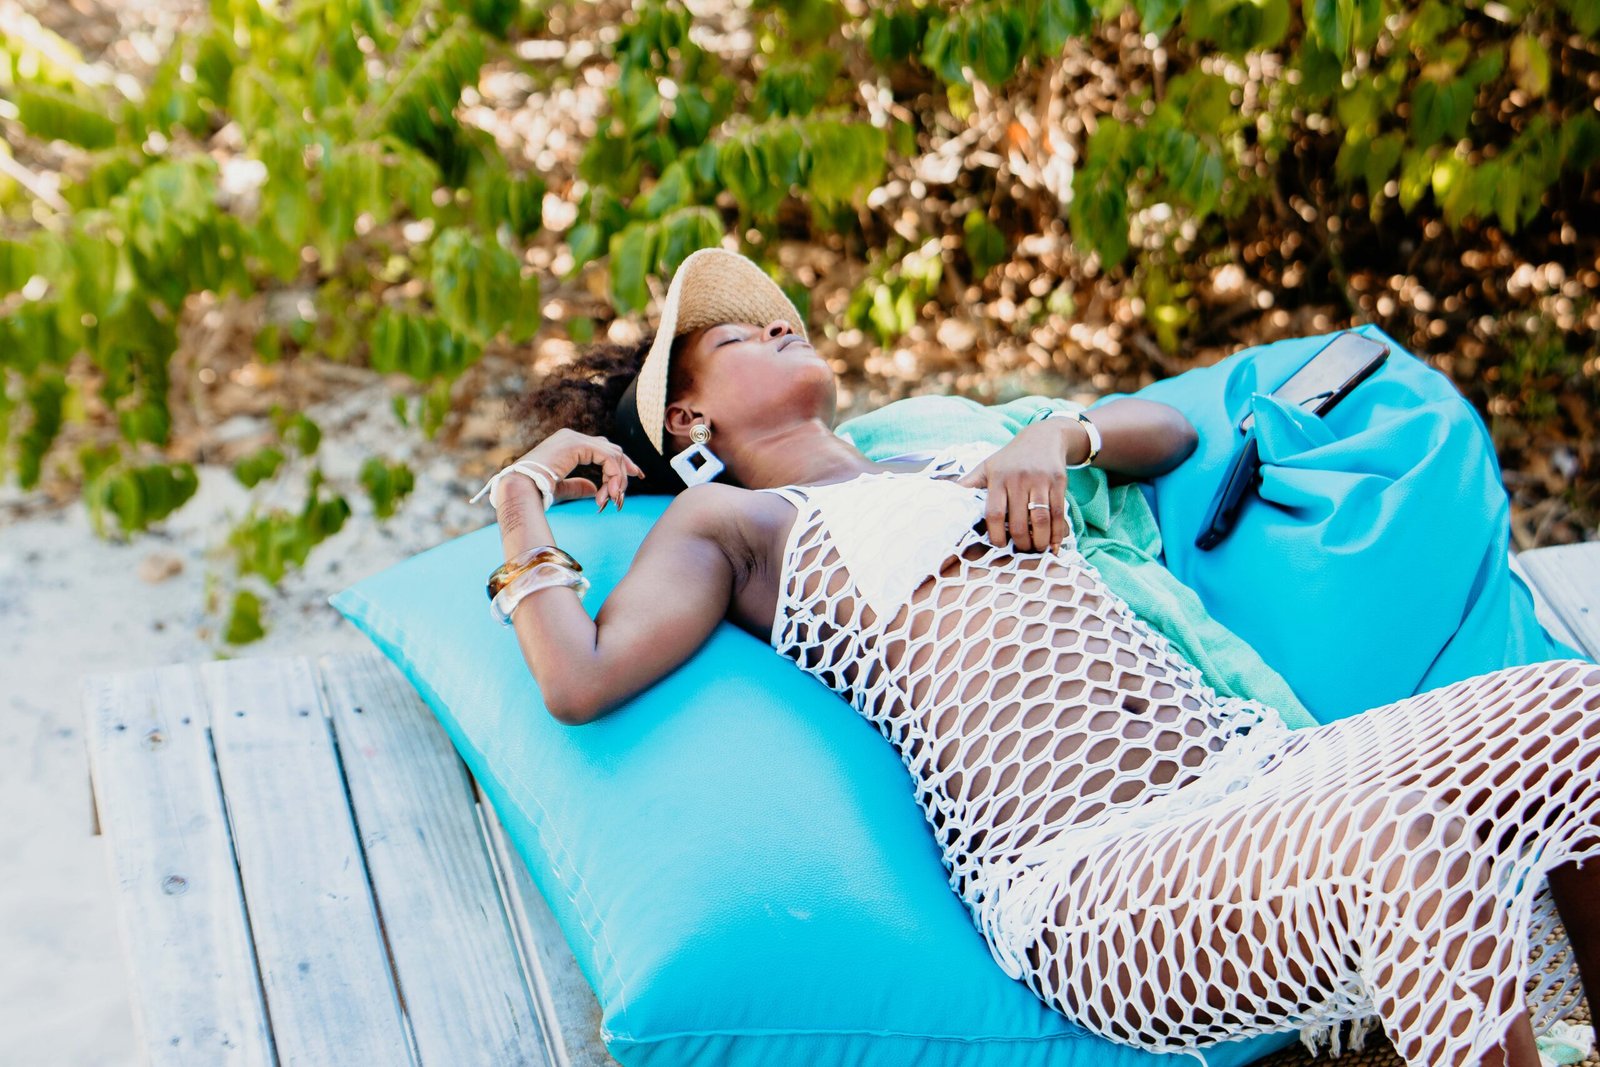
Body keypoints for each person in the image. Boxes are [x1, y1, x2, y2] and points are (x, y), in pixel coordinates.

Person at [475, 247, 1600, 1067]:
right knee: (1403, 842)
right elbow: (578, 677)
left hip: (1257, 770)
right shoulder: (741, 526)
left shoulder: (943, 448)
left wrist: (1056, 434)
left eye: (782, 323)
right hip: (1094, 877)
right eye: (739, 340)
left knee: (1576, 709)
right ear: (688, 419)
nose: (779, 330)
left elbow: (1173, 434)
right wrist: (522, 493)